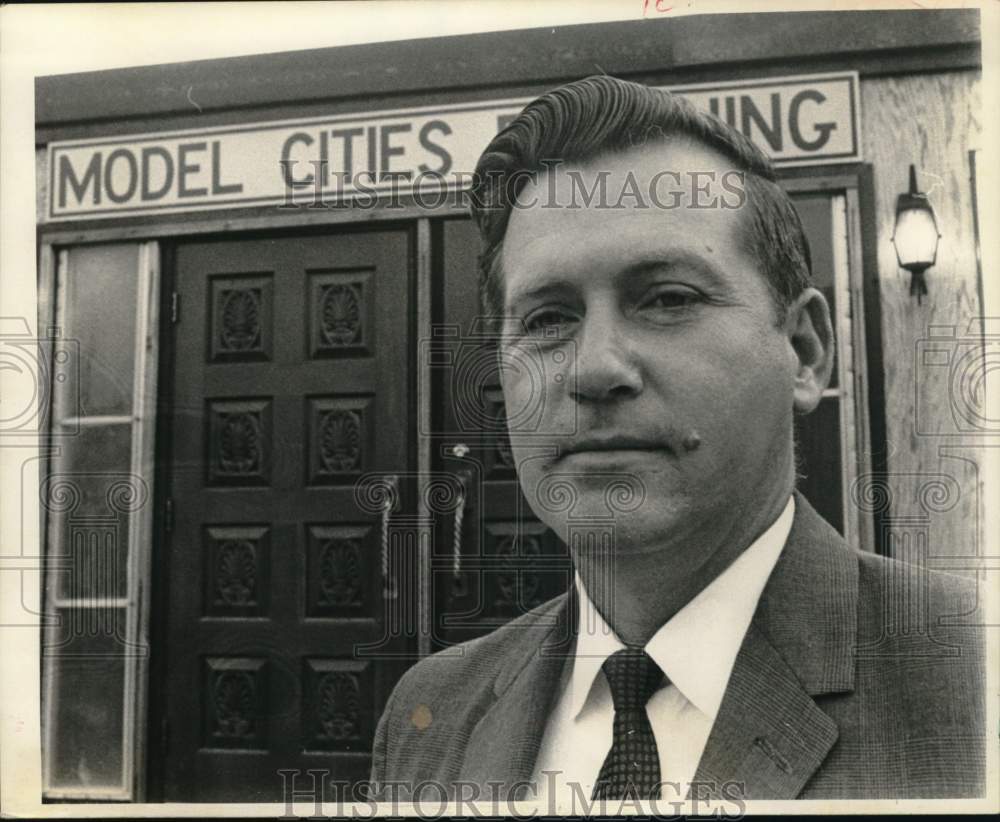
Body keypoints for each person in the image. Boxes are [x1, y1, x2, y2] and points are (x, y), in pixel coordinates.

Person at [368, 76, 986, 805]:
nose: (595, 368)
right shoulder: (431, 715)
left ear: (805, 351)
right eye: (547, 319)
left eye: (667, 299)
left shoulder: (974, 678)